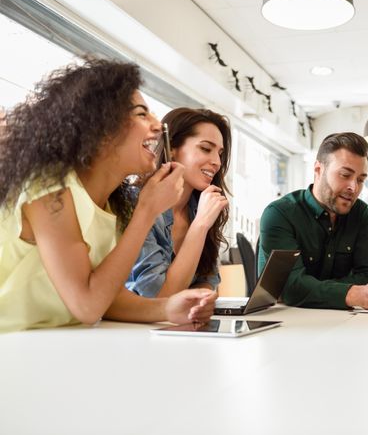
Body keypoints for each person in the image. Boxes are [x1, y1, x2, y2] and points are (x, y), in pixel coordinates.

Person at [0, 58, 216, 333]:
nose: (155, 124)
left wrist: (169, 308)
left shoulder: (114, 203)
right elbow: (88, 306)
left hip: (51, 343)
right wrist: (147, 211)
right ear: (100, 127)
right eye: (141, 114)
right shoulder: (49, 189)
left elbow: (107, 297)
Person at [258, 132, 368, 310]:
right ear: (318, 170)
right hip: (288, 324)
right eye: (345, 175)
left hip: (343, 323)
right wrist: (352, 293)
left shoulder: (359, 213)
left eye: (360, 180)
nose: (354, 187)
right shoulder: (280, 214)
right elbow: (290, 287)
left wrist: (313, 287)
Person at [126, 108, 231, 298]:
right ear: (172, 149)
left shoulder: (198, 205)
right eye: (206, 149)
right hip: (137, 327)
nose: (216, 161)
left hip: (180, 324)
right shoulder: (138, 205)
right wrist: (200, 225)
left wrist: (199, 302)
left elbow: (208, 280)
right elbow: (156, 296)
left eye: (220, 153)